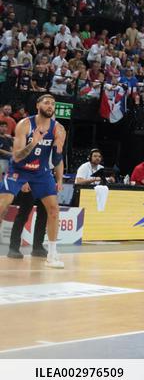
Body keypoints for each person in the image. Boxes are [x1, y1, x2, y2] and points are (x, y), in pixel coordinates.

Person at [0, 94, 67, 268]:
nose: (50, 105)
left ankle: (52, 255)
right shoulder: (25, 124)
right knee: (2, 204)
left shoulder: (58, 129)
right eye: (47, 102)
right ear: (38, 105)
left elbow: (58, 159)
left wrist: (59, 178)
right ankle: (14, 247)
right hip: (20, 170)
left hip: (40, 173)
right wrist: (34, 143)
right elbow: (17, 156)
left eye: (53, 103)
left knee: (53, 209)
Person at [6, 187, 47, 259]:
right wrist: (25, 181)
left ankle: (38, 247)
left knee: (43, 215)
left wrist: (59, 181)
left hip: (44, 184)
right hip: (29, 184)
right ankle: (13, 248)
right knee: (23, 215)